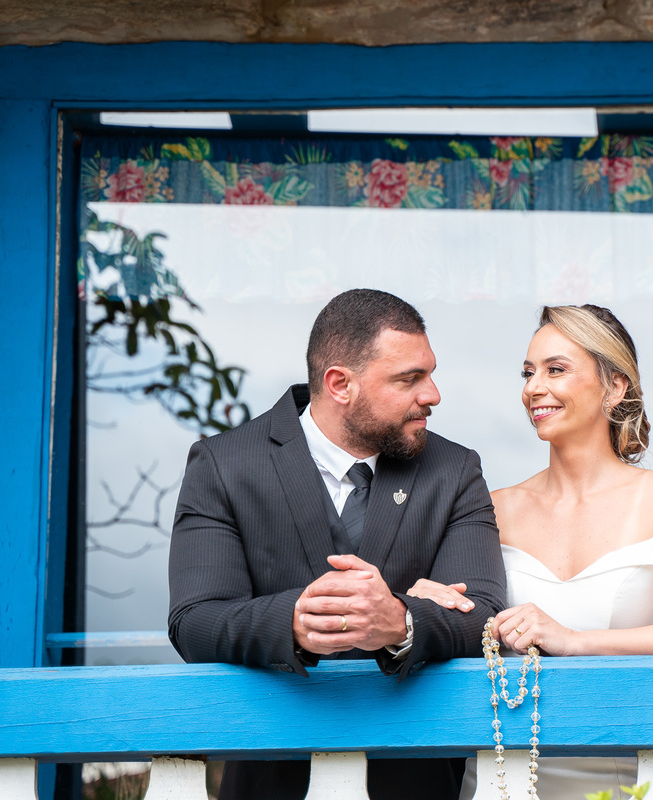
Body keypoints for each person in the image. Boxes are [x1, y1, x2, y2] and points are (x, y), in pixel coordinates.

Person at [168, 288, 507, 800]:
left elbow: (484, 615)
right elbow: (193, 621)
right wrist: (295, 622)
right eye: (409, 379)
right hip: (272, 779)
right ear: (340, 384)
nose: (433, 395)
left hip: (416, 782)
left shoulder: (455, 470)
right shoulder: (224, 464)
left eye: (430, 374)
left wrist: (401, 619)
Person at [412, 304, 653, 800]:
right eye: (528, 373)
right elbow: (463, 622)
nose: (533, 388)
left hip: (627, 772)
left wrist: (573, 641)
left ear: (615, 385)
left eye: (555, 369)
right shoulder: (492, 506)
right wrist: (427, 603)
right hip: (504, 775)